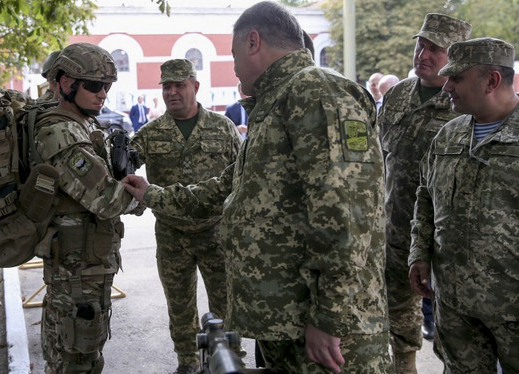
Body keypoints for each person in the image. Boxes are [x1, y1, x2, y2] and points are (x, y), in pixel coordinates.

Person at [124, 2, 391, 373]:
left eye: (233, 54)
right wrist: (151, 193)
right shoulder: (274, 105)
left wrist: (329, 317)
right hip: (287, 324)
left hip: (328, 338)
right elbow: (227, 188)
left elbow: (347, 216)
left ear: (253, 42)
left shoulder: (315, 92)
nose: (233, 67)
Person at [409, 37, 519, 373]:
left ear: (492, 80)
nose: (447, 88)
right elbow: (426, 197)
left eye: (457, 78)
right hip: (455, 304)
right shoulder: (449, 135)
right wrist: (419, 253)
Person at [130, 58, 242, 374]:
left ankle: (230, 361)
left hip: (215, 232)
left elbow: (240, 178)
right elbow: (124, 171)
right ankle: (188, 362)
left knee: (225, 305)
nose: (172, 92)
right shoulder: (150, 133)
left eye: (179, 85)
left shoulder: (223, 129)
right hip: (171, 234)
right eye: (167, 86)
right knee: (179, 306)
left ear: (195, 86)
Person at [33, 42, 139, 374]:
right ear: (65, 83)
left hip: (85, 268)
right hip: (77, 276)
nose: (103, 93)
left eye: (106, 86)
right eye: (94, 85)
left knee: (76, 356)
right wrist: (144, 197)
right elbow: (107, 200)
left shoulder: (81, 124)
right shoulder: (60, 133)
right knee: (78, 361)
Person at [376, 13, 471, 373]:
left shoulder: (464, 101)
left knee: (454, 331)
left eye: (436, 49)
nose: (424, 55)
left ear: (456, 56)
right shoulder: (398, 94)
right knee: (398, 321)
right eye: (422, 45)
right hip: (396, 230)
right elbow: (380, 154)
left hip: (446, 241)